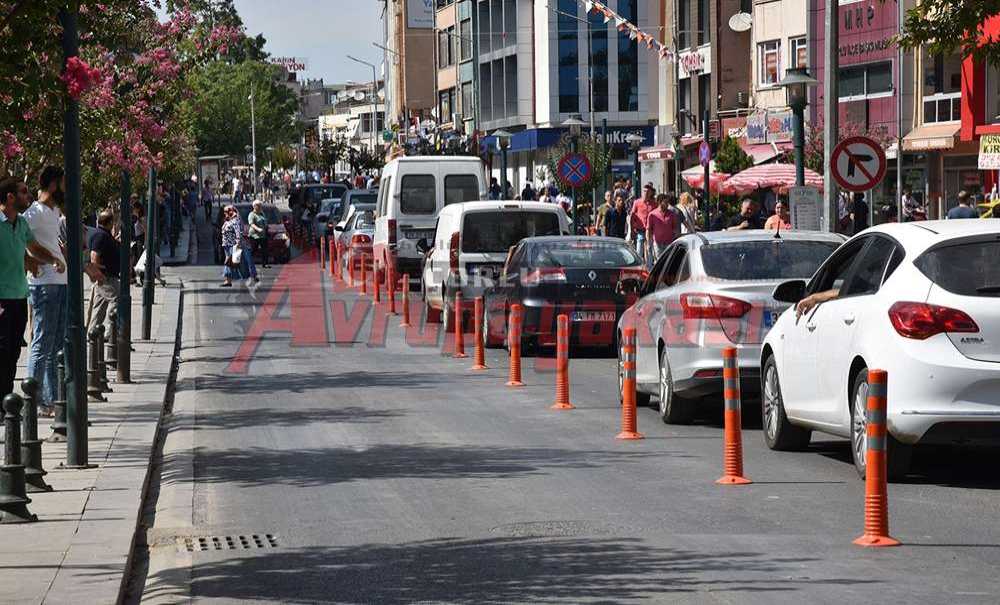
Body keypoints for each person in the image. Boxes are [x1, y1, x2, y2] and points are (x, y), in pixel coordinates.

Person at [1, 177, 66, 400]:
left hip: (19, 295)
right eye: (23, 192)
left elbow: (33, 247)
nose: (28, 196)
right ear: (10, 197)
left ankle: (6, 404)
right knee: (2, 352)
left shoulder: (21, 223)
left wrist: (52, 260)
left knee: (12, 354)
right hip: (2, 299)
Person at [22, 167, 70, 414]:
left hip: (60, 282)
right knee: (42, 342)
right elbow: (20, 239)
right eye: (61, 182)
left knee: (56, 343)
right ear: (53, 185)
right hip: (44, 285)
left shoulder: (55, 211)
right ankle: (34, 399)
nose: (64, 187)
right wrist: (30, 262)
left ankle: (50, 399)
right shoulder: (34, 213)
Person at [87, 210, 121, 342]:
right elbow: (94, 256)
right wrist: (98, 274)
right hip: (106, 277)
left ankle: (92, 333)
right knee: (117, 300)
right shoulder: (100, 236)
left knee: (99, 306)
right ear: (110, 222)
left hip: (106, 276)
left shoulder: (103, 234)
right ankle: (109, 333)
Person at [219, 205, 253, 287]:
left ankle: (229, 280)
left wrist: (237, 244)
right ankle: (244, 278)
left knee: (230, 263)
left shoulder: (235, 221)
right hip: (227, 245)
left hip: (233, 245)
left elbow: (238, 233)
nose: (225, 213)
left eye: (226, 211)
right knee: (235, 263)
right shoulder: (228, 220)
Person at [646, 193, 679, 263]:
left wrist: (676, 240)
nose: (667, 205)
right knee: (659, 262)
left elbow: (675, 229)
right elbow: (648, 229)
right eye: (665, 202)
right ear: (659, 202)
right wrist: (649, 242)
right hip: (657, 244)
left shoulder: (672, 214)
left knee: (668, 262)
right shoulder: (652, 214)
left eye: (668, 202)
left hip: (669, 243)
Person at [629, 183, 657, 265]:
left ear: (651, 193)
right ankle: (639, 267)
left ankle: (649, 269)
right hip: (640, 231)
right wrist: (632, 230)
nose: (646, 193)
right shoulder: (637, 202)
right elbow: (632, 216)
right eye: (644, 191)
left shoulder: (654, 204)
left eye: (648, 192)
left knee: (649, 251)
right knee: (639, 252)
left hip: (650, 231)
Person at [248, 201, 270, 269]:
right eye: (258, 205)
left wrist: (266, 227)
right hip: (255, 235)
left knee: (265, 250)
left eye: (260, 205)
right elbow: (251, 224)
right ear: (254, 206)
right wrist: (258, 229)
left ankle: (265, 263)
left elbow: (265, 221)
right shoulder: (252, 214)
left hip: (263, 235)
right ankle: (248, 262)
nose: (260, 207)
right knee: (253, 250)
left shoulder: (262, 213)